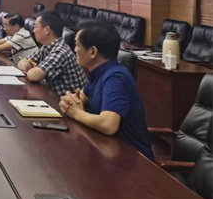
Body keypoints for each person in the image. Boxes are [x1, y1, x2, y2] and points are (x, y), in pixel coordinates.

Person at [59, 20, 154, 160]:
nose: (75, 50)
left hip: (132, 161)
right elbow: (79, 99)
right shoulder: (100, 73)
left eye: (78, 45)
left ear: (92, 52)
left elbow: (108, 124)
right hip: (107, 151)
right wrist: (69, 102)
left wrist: (77, 113)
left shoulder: (115, 78)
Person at [17, 10, 87, 95]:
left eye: (35, 27)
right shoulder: (46, 47)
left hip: (67, 100)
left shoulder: (60, 51)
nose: (33, 31)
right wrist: (28, 66)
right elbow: (21, 62)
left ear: (47, 30)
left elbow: (34, 76)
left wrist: (32, 69)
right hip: (53, 96)